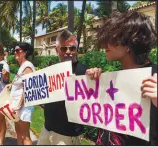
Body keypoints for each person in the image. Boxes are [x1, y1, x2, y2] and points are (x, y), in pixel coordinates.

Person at [85, 11, 157, 145]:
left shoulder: (155, 76)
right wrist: (91, 82)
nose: (105, 44)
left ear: (131, 42)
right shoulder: (115, 77)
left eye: (113, 38)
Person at [37, 29, 88, 145]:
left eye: (72, 48)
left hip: (67, 134)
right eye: (64, 48)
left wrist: (95, 75)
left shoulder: (85, 71)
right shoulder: (51, 70)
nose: (68, 52)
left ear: (76, 49)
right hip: (47, 128)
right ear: (57, 50)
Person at [6, 42, 35, 145]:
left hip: (23, 106)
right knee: (18, 132)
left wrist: (19, 105)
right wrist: (11, 85)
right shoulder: (22, 66)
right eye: (14, 50)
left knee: (25, 135)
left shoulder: (27, 66)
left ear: (25, 52)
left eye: (18, 50)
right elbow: (20, 83)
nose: (15, 52)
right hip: (17, 105)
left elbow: (28, 88)